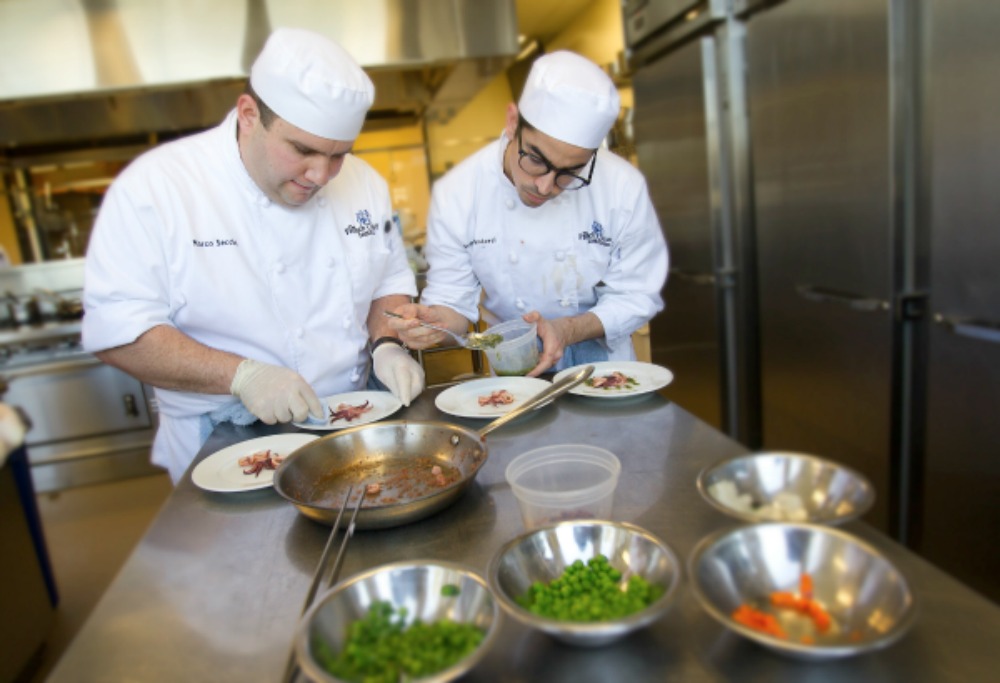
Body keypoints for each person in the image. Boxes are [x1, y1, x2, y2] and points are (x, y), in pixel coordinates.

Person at [82, 28, 424, 483]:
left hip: (353, 423)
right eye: (302, 150)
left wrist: (387, 344)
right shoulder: (156, 189)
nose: (321, 174)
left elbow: (389, 280)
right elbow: (118, 331)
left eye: (339, 155)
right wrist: (242, 376)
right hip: (222, 444)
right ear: (248, 115)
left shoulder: (365, 184)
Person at [387, 50, 668, 374]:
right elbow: (453, 303)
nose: (546, 186)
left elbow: (638, 294)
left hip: (605, 368)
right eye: (535, 160)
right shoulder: (458, 192)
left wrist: (567, 330)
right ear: (512, 122)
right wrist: (435, 322)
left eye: (570, 172)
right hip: (515, 370)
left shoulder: (623, 185)